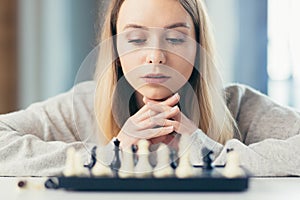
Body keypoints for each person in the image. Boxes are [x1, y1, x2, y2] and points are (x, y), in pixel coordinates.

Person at [0, 0, 299, 177]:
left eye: (176, 38)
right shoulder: (82, 105)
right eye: (136, 39)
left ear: (198, 47)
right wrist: (109, 154)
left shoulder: (239, 105)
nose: (155, 55)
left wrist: (205, 151)